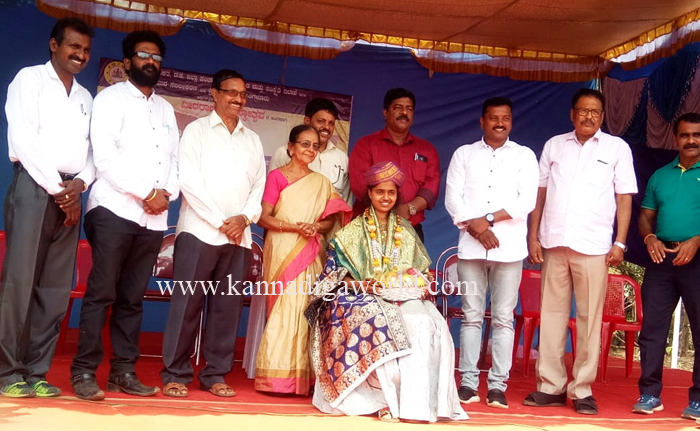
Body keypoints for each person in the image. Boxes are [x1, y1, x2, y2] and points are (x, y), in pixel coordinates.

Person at [306, 161, 467, 423]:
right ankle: (383, 400)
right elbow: (334, 276)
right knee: (379, 321)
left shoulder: (406, 230)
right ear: (369, 193)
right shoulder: (350, 233)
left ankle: (417, 404)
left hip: (403, 295)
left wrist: (421, 284)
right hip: (362, 297)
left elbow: (422, 272)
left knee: (425, 322)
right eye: (379, 192)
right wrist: (362, 285)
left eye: (391, 193)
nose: (385, 197)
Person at [70, 30, 179, 401]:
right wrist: (146, 193)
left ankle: (123, 372)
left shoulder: (165, 109)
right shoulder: (111, 99)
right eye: (144, 55)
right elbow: (104, 157)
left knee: (132, 297)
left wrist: (166, 194)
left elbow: (174, 160)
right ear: (128, 61)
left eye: (157, 57)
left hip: (152, 219)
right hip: (114, 209)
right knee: (102, 293)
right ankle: (84, 371)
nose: (151, 61)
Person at [525, 88, 637, 415]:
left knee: (589, 319)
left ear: (602, 117)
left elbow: (624, 198)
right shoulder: (554, 145)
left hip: (594, 245)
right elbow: (540, 193)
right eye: (583, 111)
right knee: (552, 316)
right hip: (554, 242)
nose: (588, 116)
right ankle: (551, 386)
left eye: (594, 112)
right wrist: (533, 236)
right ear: (572, 114)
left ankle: (582, 389)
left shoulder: (617, 148)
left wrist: (620, 242)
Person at [0, 18, 94, 398]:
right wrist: (60, 192)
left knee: (54, 288)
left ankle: (36, 371)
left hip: (70, 192)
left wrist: (80, 185)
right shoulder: (29, 79)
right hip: (36, 188)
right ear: (54, 45)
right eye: (74, 46)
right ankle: (7, 372)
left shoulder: (86, 97)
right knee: (20, 283)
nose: (80, 55)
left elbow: (92, 153)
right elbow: (25, 141)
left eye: (86, 50)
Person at [160, 69, 266, 398]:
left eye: (243, 94)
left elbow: (258, 187)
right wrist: (222, 221)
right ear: (214, 94)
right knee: (187, 305)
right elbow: (189, 182)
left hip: (239, 237)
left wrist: (244, 218)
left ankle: (215, 374)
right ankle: (175, 373)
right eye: (231, 92)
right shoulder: (196, 131)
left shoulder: (252, 139)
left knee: (226, 309)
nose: (238, 99)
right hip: (199, 232)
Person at [445, 97, 539, 408]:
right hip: (471, 250)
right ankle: (468, 383)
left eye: (505, 118)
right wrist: (475, 229)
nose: (500, 123)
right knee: (471, 317)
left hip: (509, 250)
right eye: (494, 118)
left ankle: (498, 386)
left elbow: (526, 202)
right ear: (482, 121)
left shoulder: (524, 156)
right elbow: (452, 199)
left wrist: (486, 220)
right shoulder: (464, 154)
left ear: (511, 121)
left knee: (503, 320)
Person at [254, 125, 350, 395]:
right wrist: (295, 227)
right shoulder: (276, 177)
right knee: (285, 309)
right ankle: (277, 376)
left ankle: (305, 378)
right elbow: (263, 217)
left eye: (315, 146)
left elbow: (331, 220)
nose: (310, 149)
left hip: (310, 249)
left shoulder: (321, 182)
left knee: (307, 308)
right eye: (305, 144)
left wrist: (314, 227)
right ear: (291, 147)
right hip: (283, 247)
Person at [632, 113, 700, 420]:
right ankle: (649, 394)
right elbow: (646, 215)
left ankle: (698, 400)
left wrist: (696, 240)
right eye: (685, 135)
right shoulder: (660, 175)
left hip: (698, 260)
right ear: (676, 138)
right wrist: (649, 238)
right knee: (652, 330)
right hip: (662, 260)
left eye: (697, 135)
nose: (691, 140)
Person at [349, 88, 440, 242]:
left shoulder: (426, 149)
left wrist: (409, 208)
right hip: (369, 226)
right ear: (385, 113)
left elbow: (432, 186)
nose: (404, 112)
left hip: (410, 227)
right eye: (398, 107)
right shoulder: (366, 145)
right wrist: (390, 210)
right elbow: (360, 184)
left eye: (409, 109)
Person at [268, 98, 351, 205]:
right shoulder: (285, 153)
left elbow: (345, 202)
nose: (326, 127)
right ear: (307, 121)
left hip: (331, 216)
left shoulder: (342, 158)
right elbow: (270, 196)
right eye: (320, 121)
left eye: (331, 123)